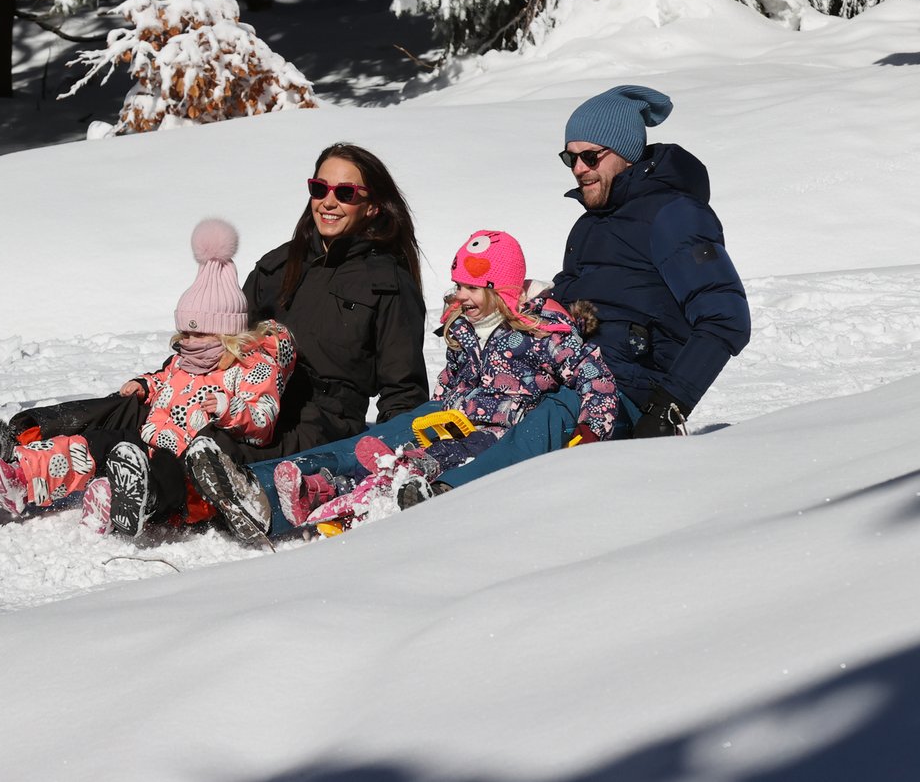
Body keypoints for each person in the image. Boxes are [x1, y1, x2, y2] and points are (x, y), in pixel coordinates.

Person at [417, 85, 752, 491]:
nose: (578, 168)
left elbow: (725, 318)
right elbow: (572, 299)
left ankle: (447, 496)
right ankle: (391, 473)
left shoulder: (675, 215)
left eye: (590, 156)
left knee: (551, 418)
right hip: (568, 376)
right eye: (569, 158)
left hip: (624, 392)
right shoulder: (590, 225)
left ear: (625, 152)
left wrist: (666, 408)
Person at [233, 229, 622, 534]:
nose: (460, 296)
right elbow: (453, 376)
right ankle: (294, 487)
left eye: (471, 288)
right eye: (458, 285)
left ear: (500, 290)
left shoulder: (544, 332)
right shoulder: (465, 327)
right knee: (387, 442)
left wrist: (590, 430)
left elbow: (595, 378)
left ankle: (405, 490)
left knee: (427, 458)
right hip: (452, 421)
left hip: (500, 432)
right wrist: (441, 402)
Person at [0, 219, 295, 541]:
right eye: (183, 331)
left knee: (155, 469)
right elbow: (162, 381)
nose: (187, 341)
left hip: (186, 470)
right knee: (93, 441)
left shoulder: (249, 368)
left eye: (198, 334)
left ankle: (118, 499)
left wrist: (229, 409)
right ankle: (22, 475)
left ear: (227, 335)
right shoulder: (184, 361)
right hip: (147, 441)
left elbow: (263, 420)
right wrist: (144, 385)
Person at [181, 143, 431, 533]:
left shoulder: (388, 283)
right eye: (320, 189)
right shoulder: (278, 266)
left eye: (345, 193)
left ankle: (178, 497)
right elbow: (223, 339)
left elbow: (404, 390)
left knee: (216, 448)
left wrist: (392, 463)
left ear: (373, 206)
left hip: (326, 420)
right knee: (171, 421)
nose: (328, 202)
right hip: (256, 400)